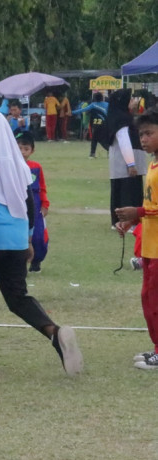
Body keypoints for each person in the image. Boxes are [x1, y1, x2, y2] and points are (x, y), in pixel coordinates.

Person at [0, 110, 82, 376]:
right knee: (17, 298)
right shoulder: (19, 164)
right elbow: (29, 204)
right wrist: (27, 238)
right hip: (16, 239)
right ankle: (54, 332)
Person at [115, 107, 158, 370]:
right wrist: (133, 220)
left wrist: (138, 211)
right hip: (151, 247)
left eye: (149, 133)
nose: (143, 139)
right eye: (141, 134)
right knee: (148, 299)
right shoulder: (153, 164)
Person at [102, 89, 147, 226]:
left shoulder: (122, 117)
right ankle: (126, 222)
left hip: (124, 163)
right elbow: (124, 141)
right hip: (125, 163)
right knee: (127, 192)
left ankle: (121, 221)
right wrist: (131, 164)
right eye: (131, 99)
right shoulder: (121, 119)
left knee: (123, 191)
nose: (134, 101)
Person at [16, 132, 50, 272]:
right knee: (19, 234)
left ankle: (36, 261)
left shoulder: (36, 167)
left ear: (32, 150)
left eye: (26, 149)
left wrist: (45, 204)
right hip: (18, 203)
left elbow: (42, 187)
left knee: (38, 235)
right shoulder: (11, 166)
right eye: (20, 148)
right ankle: (20, 263)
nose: (23, 152)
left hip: (35, 204)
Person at [72, 93, 108, 158]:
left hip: (95, 125)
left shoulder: (93, 105)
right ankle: (109, 150)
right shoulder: (107, 104)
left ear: (94, 99)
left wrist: (72, 112)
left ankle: (92, 154)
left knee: (95, 139)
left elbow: (82, 110)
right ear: (102, 98)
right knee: (103, 139)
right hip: (105, 124)